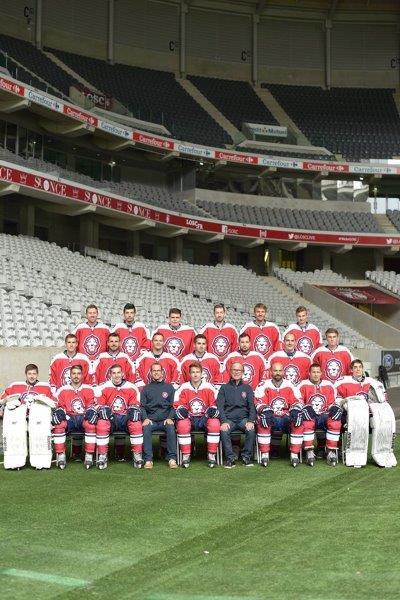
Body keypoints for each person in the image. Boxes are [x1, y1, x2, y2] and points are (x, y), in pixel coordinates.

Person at [254, 362, 303, 467]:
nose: (278, 373)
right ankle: (265, 453)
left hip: (286, 417)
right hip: (271, 417)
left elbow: (298, 400)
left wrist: (295, 410)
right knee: (264, 420)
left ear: (283, 372)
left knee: (297, 421)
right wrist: (264, 410)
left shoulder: (290, 385)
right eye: (275, 370)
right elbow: (257, 401)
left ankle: (294, 454)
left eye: (280, 370)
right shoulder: (263, 385)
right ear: (271, 371)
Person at [95, 364, 143, 469]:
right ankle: (102, 455)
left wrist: (133, 409)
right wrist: (102, 409)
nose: (116, 375)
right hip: (111, 419)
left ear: (122, 374)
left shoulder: (131, 387)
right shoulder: (103, 387)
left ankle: (137, 454)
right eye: (114, 373)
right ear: (110, 375)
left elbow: (135, 404)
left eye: (118, 372)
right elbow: (99, 404)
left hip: (125, 418)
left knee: (136, 423)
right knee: (101, 423)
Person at [174, 363, 220, 468]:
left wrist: (209, 413)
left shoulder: (209, 387)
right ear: (189, 374)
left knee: (215, 423)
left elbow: (215, 405)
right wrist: (184, 411)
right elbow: (179, 405)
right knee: (182, 424)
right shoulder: (183, 387)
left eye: (197, 372)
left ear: (201, 373)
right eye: (193, 372)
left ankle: (211, 454)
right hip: (190, 418)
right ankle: (186, 455)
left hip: (205, 418)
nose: (195, 374)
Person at [52, 365, 97, 469]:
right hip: (69, 418)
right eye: (74, 373)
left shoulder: (89, 389)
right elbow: (58, 405)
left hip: (83, 417)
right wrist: (60, 411)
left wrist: (91, 410)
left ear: (82, 375)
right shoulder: (62, 390)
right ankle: (61, 455)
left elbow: (92, 405)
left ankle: (89, 455)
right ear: (70, 375)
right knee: (59, 424)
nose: (76, 376)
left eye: (78, 373)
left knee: (91, 424)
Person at [298, 363, 341, 466]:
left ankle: (331, 451)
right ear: (309, 373)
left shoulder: (328, 385)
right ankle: (309, 451)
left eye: (318, 372)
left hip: (325, 415)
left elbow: (333, 402)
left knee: (335, 422)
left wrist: (335, 408)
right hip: (310, 415)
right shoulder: (302, 384)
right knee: (307, 422)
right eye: (313, 372)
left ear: (321, 373)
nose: (316, 374)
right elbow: (298, 401)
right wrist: (304, 408)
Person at [217, 362, 256, 468]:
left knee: (251, 430)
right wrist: (224, 421)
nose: (236, 372)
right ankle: (230, 458)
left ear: (243, 372)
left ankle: (246, 457)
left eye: (239, 370)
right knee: (224, 431)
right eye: (234, 369)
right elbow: (220, 406)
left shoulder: (247, 388)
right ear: (230, 371)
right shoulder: (224, 388)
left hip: (243, 419)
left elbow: (252, 406)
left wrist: (251, 421)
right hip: (229, 419)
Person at [141, 363, 178, 469]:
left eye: (158, 370)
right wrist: (145, 418)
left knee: (171, 428)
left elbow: (173, 406)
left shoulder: (169, 388)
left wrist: (170, 418)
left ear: (162, 372)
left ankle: (172, 459)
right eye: (154, 371)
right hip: (151, 420)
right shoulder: (146, 389)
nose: (156, 372)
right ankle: (148, 459)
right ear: (151, 373)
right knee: (146, 428)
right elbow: (142, 406)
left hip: (165, 420)